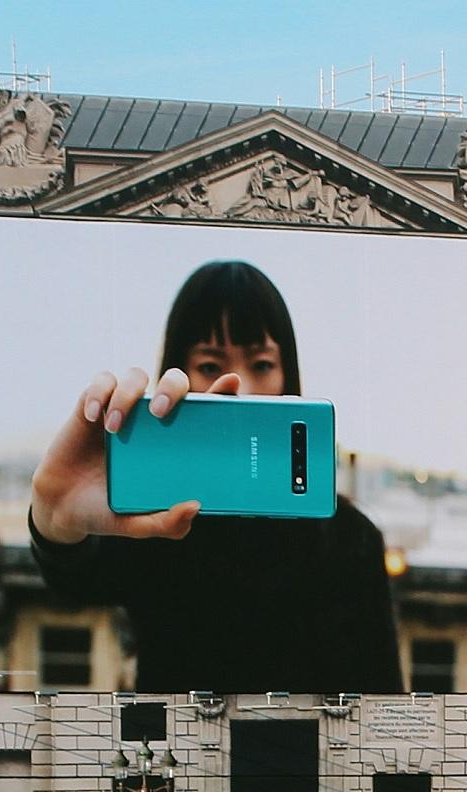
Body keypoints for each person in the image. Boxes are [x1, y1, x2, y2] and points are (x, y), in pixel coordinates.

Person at [29, 260, 401, 694]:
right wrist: (55, 516)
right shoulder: (156, 521)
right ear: (178, 373)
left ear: (288, 376)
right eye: (210, 365)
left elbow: (382, 710)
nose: (237, 386)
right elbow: (75, 577)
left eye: (261, 365)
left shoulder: (349, 539)